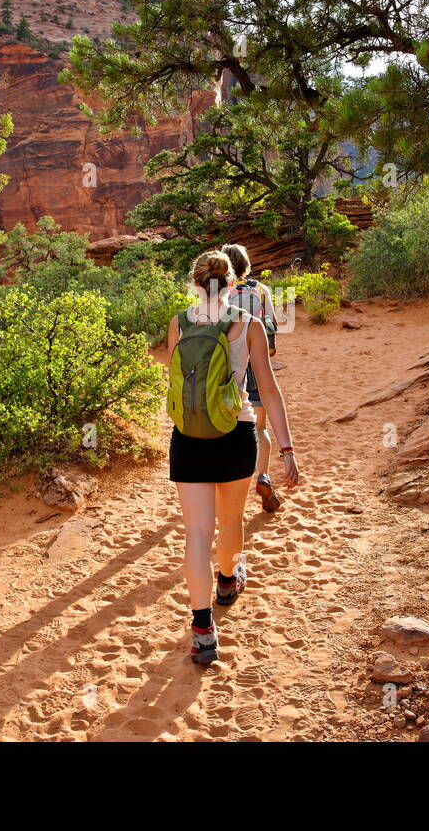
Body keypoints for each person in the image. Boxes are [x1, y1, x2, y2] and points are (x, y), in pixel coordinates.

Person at [167, 250, 299, 665]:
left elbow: (175, 383)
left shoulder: (179, 323)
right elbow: (270, 392)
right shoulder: (250, 325)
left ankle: (203, 629)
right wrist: (287, 450)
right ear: (231, 284)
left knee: (196, 535)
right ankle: (227, 581)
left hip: (188, 437)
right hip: (237, 433)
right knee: (231, 522)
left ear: (194, 283)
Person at [220, 243, 283, 514]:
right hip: (256, 363)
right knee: (259, 425)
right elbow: (272, 327)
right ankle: (263, 476)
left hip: (229, 367)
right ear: (246, 264)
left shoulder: (220, 291)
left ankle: (227, 481)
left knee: (226, 426)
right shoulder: (260, 290)